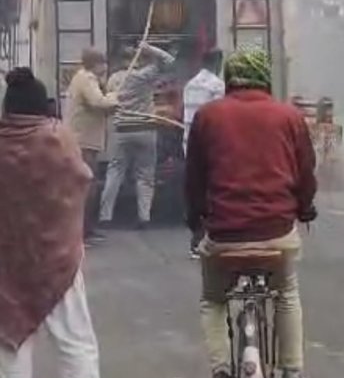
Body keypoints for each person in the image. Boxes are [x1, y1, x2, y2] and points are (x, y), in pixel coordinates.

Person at [185, 48, 317, 378]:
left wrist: (196, 222)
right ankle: (292, 374)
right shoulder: (289, 116)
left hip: (224, 235)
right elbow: (306, 172)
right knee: (286, 292)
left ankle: (223, 373)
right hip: (277, 232)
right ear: (265, 77)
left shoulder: (208, 117)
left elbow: (194, 178)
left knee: (213, 300)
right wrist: (305, 208)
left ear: (229, 79)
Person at [0, 68, 114, 378]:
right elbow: (81, 180)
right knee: (76, 341)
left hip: (8, 264)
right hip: (59, 258)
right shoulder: (58, 138)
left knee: (12, 345)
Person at [99, 41, 175, 229]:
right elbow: (169, 61)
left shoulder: (114, 80)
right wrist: (149, 48)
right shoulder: (143, 76)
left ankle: (105, 216)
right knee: (145, 175)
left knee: (114, 172)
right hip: (144, 130)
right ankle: (144, 217)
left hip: (121, 131)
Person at [65, 48, 119, 244]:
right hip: (83, 141)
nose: (105, 66)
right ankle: (83, 230)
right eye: (102, 63)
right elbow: (98, 102)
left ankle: (86, 228)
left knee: (89, 185)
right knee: (87, 186)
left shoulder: (86, 79)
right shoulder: (87, 79)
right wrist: (114, 97)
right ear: (94, 64)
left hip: (85, 139)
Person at [183, 50, 225, 257]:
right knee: (213, 193)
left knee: (196, 193)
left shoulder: (190, 84)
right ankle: (209, 240)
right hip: (210, 145)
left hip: (189, 145)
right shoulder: (217, 85)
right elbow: (220, 117)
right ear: (218, 63)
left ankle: (195, 241)